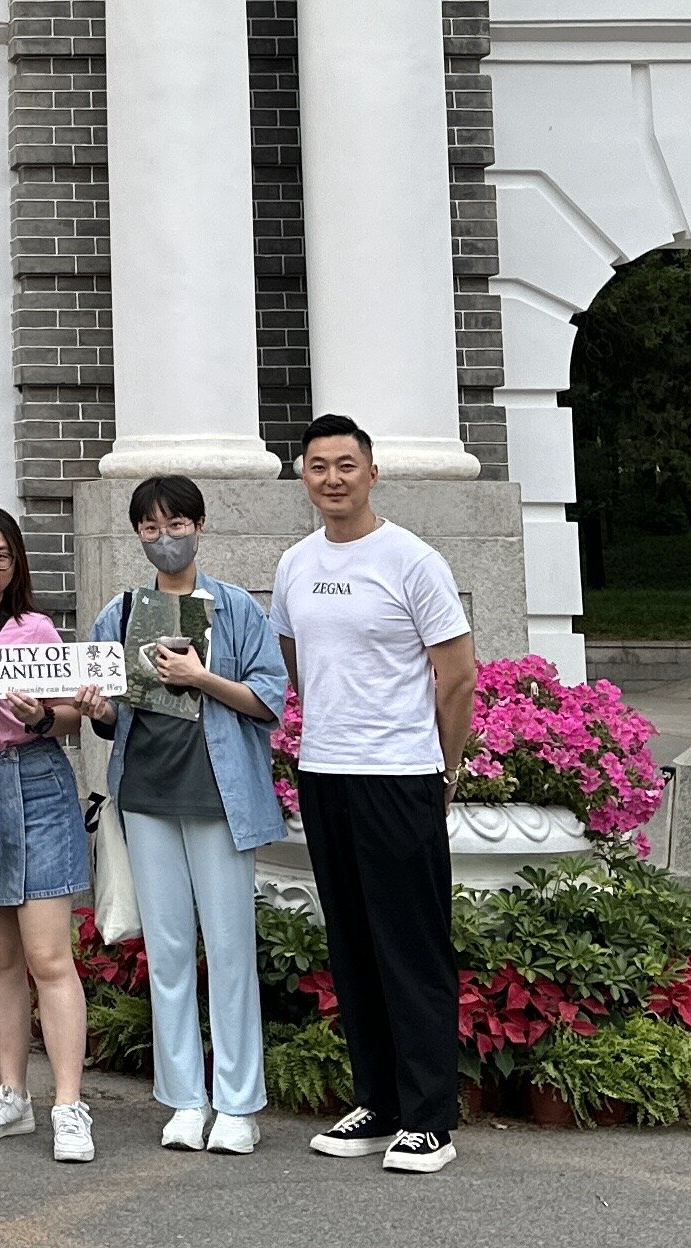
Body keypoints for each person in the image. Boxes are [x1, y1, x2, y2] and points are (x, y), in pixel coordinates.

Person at [273, 414, 478, 1177]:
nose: (333, 478)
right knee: (353, 944)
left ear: (372, 473)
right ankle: (378, 1102)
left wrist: (443, 771)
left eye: (347, 465)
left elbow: (457, 676)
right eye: (319, 466)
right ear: (304, 476)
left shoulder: (412, 560)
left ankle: (430, 1118)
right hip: (326, 772)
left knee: (411, 947)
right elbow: (296, 659)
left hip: (401, 775)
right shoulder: (295, 564)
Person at [83, 474, 292, 1157]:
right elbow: (115, 719)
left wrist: (200, 677)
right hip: (146, 797)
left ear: (199, 526)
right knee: (169, 951)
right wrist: (97, 709)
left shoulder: (233, 609)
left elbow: (271, 699)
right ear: (138, 535)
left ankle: (238, 1103)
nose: (164, 538)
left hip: (218, 796)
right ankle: (184, 1099)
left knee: (228, 949)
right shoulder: (118, 613)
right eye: (150, 527)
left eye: (176, 524)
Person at [0, 505, 98, 1164]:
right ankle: (12, 1095)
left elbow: (70, 720)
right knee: (0, 959)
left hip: (35, 783)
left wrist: (41, 715)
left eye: (0, 554)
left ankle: (68, 1103)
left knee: (49, 956)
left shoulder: (34, 628)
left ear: (16, 562)